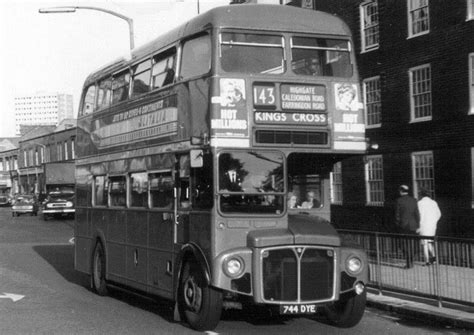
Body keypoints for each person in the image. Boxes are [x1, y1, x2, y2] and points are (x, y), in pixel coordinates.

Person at [395, 185, 420, 268]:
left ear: (401, 191)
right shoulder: (414, 200)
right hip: (413, 225)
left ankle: (409, 261)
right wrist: (418, 225)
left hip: (404, 225)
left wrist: (397, 224)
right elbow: (417, 214)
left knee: (403, 244)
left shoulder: (399, 201)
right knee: (411, 243)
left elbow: (397, 215)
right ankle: (411, 259)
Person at [416, 188, 441, 266]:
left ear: (421, 195)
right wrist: (434, 221)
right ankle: (434, 259)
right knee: (429, 242)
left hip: (423, 225)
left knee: (424, 243)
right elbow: (439, 214)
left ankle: (427, 261)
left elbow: (418, 215)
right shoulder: (434, 203)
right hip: (432, 226)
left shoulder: (419, 203)